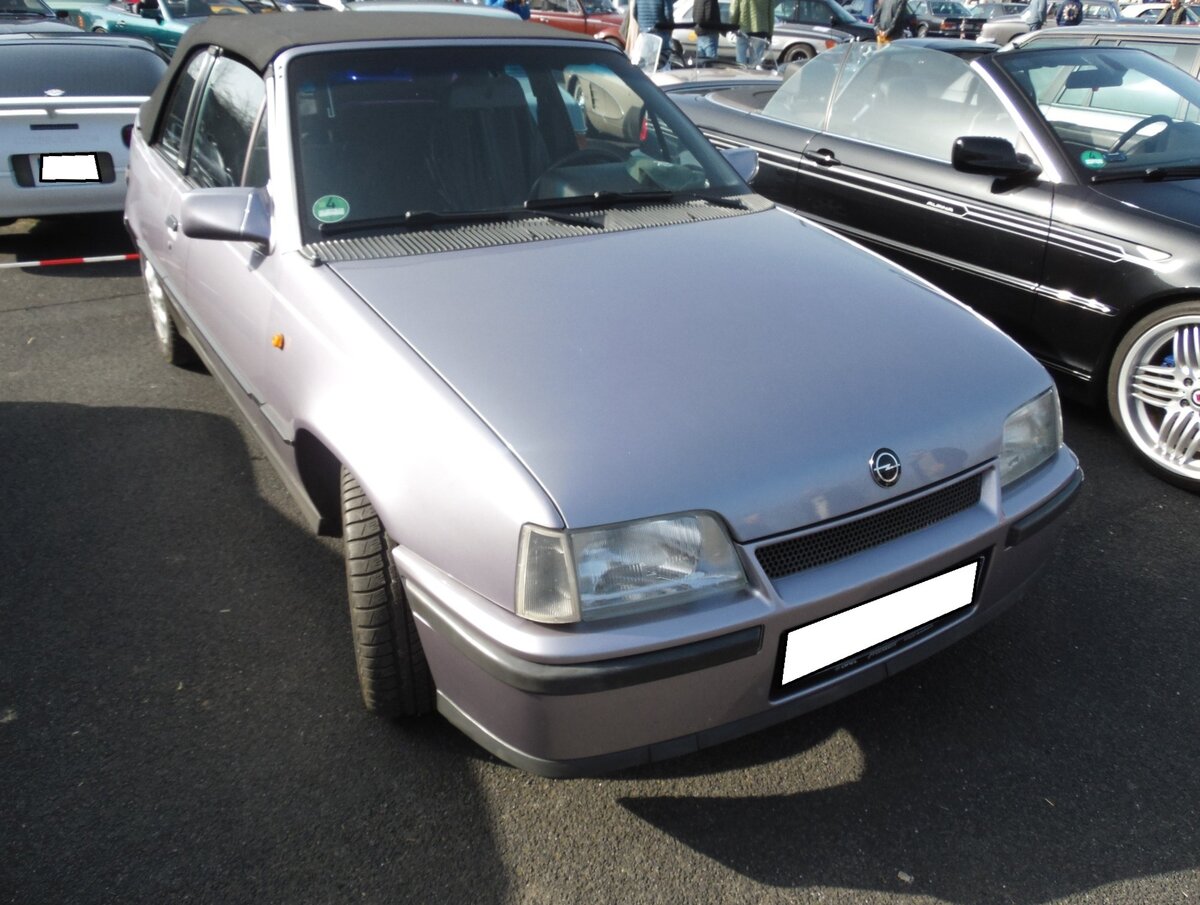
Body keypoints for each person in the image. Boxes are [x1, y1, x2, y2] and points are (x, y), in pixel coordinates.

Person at [730, 0, 772, 66]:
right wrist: (770, 34)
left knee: (740, 57)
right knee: (756, 62)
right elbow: (771, 15)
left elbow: (735, 10)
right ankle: (754, 74)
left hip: (743, 30)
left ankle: (741, 74)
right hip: (760, 30)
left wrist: (732, 26)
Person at [636, 0, 675, 69]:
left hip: (645, 33)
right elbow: (668, 14)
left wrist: (642, 25)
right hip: (660, 31)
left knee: (645, 63)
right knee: (662, 60)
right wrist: (670, 28)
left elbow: (635, 12)